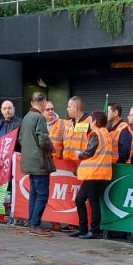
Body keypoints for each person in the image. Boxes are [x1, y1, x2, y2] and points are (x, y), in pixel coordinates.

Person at [72, 111, 114, 239]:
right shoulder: (105, 134)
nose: (89, 123)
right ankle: (83, 228)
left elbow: (89, 152)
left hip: (94, 173)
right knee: (80, 200)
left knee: (92, 202)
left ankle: (94, 231)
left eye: (90, 120)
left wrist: (79, 154)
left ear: (94, 122)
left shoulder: (96, 133)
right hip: (98, 173)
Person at [19, 92, 55, 237]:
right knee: (42, 194)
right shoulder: (39, 117)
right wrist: (52, 147)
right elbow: (43, 140)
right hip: (39, 162)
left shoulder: (26, 117)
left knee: (34, 193)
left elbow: (21, 139)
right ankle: (35, 224)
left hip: (28, 161)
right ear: (44, 103)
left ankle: (32, 223)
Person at [63, 97, 92, 162]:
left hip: (82, 164)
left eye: (69, 107)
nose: (67, 109)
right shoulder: (69, 123)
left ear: (77, 108)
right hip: (66, 164)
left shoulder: (90, 121)